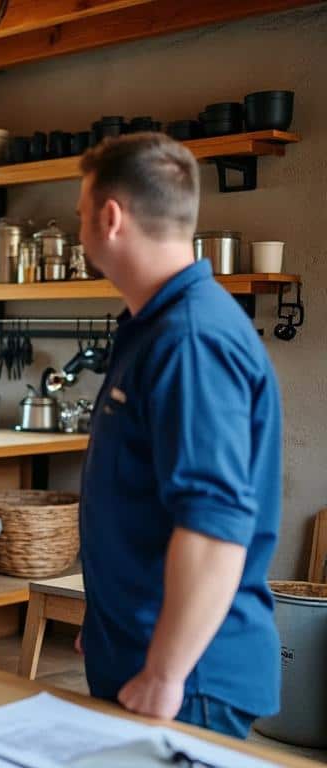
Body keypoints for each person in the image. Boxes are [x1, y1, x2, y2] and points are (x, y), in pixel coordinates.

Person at [75, 133, 281, 738]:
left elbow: (214, 526)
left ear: (110, 219)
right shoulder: (152, 326)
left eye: (82, 215)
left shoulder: (190, 339)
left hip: (187, 677)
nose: (80, 230)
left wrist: (165, 673)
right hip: (139, 646)